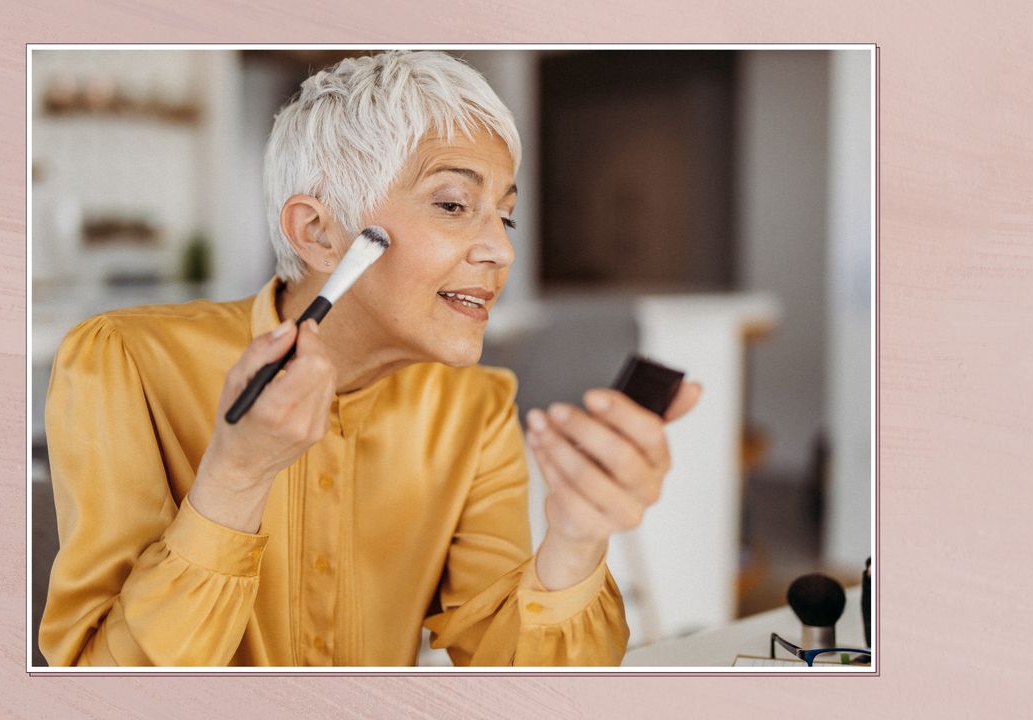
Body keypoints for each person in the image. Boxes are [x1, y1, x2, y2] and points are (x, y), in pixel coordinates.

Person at [38, 50, 702, 667]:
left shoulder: (475, 410)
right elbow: (98, 688)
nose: (500, 250)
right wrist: (235, 478)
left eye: (506, 216)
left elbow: (520, 676)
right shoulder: (123, 360)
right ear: (320, 232)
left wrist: (576, 537)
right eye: (453, 204)